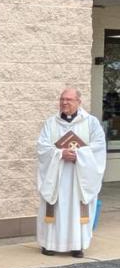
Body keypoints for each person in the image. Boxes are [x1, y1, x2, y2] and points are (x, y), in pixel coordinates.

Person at [36, 88, 106, 258]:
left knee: (77, 208)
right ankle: (49, 244)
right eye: (62, 99)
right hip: (57, 175)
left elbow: (99, 146)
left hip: (79, 176)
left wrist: (79, 155)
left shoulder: (91, 122)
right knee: (55, 207)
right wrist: (60, 154)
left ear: (78, 102)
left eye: (69, 99)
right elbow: (42, 147)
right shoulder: (51, 123)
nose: (64, 102)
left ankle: (77, 245)